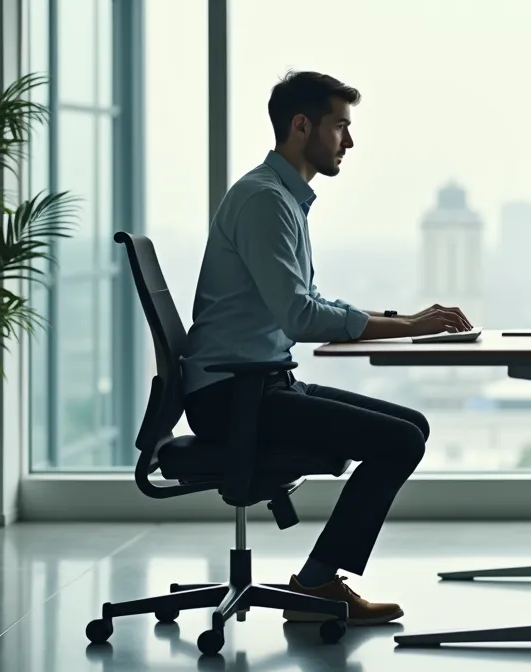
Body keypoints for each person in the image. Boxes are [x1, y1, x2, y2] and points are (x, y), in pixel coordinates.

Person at [182, 70, 473, 626]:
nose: (349, 140)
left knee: (411, 425)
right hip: (235, 395)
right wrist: (411, 327)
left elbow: (306, 300)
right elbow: (301, 315)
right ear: (301, 126)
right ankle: (317, 584)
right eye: (340, 126)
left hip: (259, 381)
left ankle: (319, 579)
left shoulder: (282, 199)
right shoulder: (265, 202)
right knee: (400, 441)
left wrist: (403, 319)